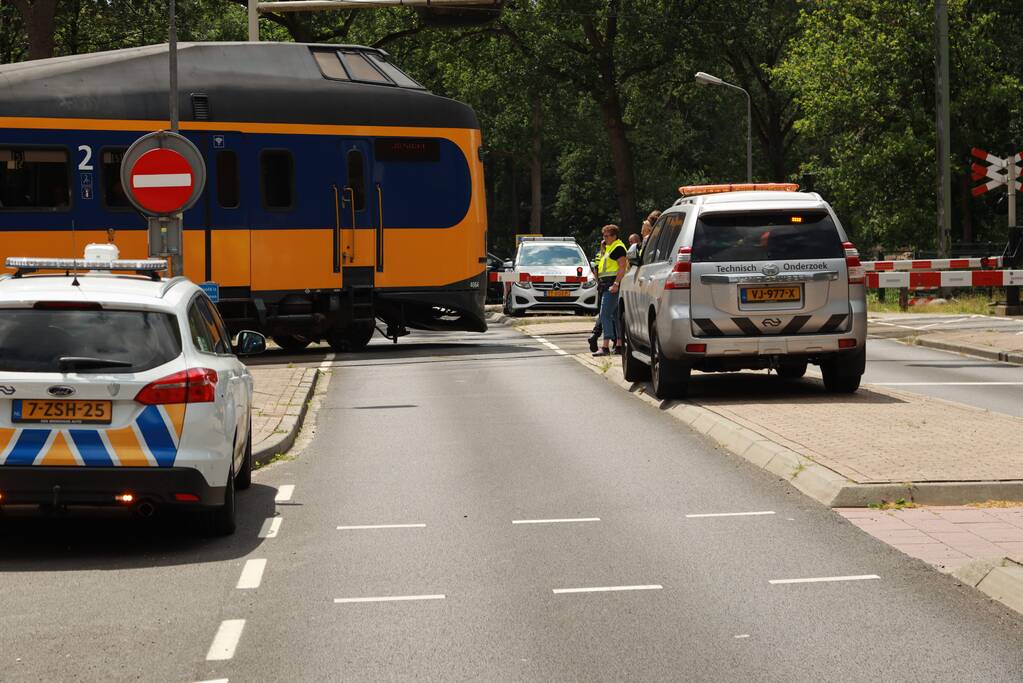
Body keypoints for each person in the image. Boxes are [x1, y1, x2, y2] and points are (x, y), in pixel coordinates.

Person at [592, 224, 628, 356]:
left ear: (614, 236)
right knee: (615, 315)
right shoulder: (610, 247)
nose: (604, 238)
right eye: (603, 235)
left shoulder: (618, 247)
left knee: (604, 315)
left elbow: (622, 267)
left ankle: (605, 346)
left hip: (612, 286)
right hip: (608, 284)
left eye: (607, 236)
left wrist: (616, 284)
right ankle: (619, 345)